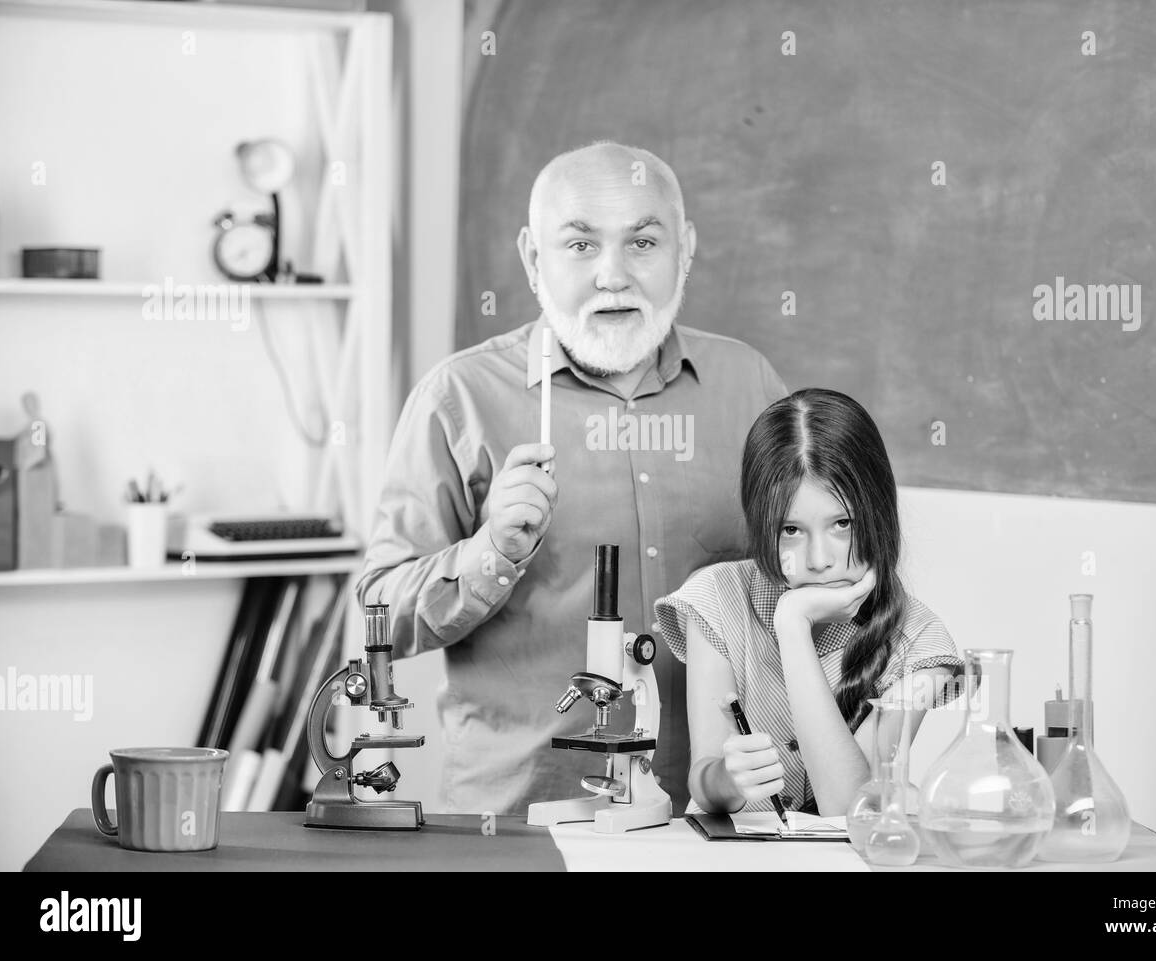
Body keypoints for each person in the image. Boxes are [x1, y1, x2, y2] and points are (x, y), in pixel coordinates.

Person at [356, 141, 788, 815]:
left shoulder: (750, 385)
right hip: (521, 820)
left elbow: (809, 574)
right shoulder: (458, 399)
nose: (613, 276)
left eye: (643, 242)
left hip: (717, 819)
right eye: (581, 246)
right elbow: (380, 615)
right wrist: (490, 552)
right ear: (533, 259)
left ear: (686, 249)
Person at [654, 389, 962, 816]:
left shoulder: (921, 644)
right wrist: (729, 777)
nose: (819, 560)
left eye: (841, 523)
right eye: (791, 530)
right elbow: (704, 785)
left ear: (877, 511)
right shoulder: (715, 597)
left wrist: (792, 625)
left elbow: (849, 805)